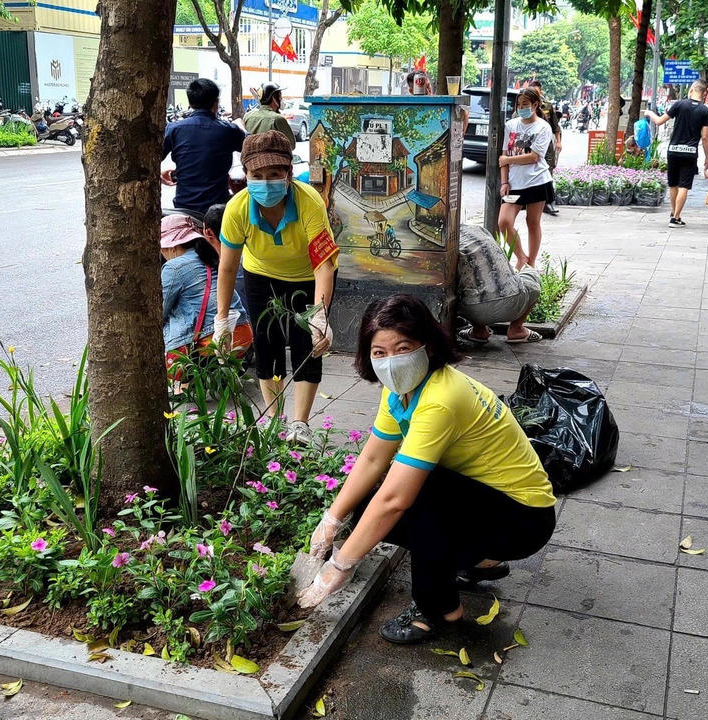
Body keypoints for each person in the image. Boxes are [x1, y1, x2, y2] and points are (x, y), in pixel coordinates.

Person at [296, 295, 557, 645]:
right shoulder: (399, 392)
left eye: (402, 348)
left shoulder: (440, 399)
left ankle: (439, 609)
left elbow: (394, 500)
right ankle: (479, 560)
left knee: (418, 498)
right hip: (488, 501)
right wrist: (332, 519)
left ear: (428, 346)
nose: (391, 362)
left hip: (524, 520)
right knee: (371, 507)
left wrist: (339, 566)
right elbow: (373, 459)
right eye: (380, 353)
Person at [214, 132, 338, 444]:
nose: (265, 182)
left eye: (274, 174)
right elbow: (227, 267)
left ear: (288, 174)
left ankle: (300, 424)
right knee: (267, 345)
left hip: (306, 277)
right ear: (246, 175)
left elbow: (324, 263)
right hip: (260, 276)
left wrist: (319, 315)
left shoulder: (309, 202)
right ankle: (273, 420)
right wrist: (222, 320)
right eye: (257, 175)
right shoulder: (237, 209)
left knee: (307, 344)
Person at [160, 214, 253, 379]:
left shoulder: (173, 267)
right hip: (242, 337)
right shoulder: (212, 257)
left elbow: (160, 312)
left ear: (172, 246)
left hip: (211, 344)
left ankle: (182, 382)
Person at [497, 87, 553, 300]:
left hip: (537, 181)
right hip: (514, 184)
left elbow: (534, 156)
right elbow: (504, 154)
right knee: (504, 222)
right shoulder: (510, 125)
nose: (521, 109)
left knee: (532, 222)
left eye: (525, 105)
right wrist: (504, 181)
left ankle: (531, 264)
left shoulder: (543, 128)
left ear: (535, 105)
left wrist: (508, 161)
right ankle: (521, 257)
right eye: (519, 105)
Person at [161, 79, 247, 214]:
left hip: (183, 208)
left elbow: (150, 159)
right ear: (216, 103)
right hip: (218, 210)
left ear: (190, 103)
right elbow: (254, 147)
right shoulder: (228, 130)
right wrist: (240, 125)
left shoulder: (173, 129)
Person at [455, 225, 541, 345]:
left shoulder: (448, 241)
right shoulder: (477, 229)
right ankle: (517, 329)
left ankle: (479, 330)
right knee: (532, 274)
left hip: (472, 309)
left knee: (465, 287)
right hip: (512, 303)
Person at [644, 80, 708, 228]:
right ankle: (676, 218)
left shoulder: (679, 104)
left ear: (692, 89)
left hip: (673, 150)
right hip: (690, 152)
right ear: (704, 93)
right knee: (684, 186)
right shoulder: (706, 111)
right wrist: (707, 157)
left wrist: (649, 113)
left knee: (673, 184)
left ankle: (673, 213)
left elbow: (660, 121)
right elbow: (705, 137)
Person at [528, 80, 562, 216]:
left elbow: (555, 125)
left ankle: (548, 201)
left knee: (549, 168)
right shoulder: (525, 105)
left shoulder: (547, 105)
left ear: (540, 91)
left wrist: (558, 142)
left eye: (537, 91)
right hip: (530, 143)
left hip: (547, 143)